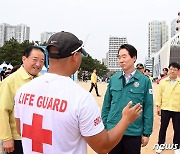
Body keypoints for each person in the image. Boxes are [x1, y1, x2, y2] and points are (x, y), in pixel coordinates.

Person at [14, 31, 142, 154]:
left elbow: (21, 130)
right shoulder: (80, 98)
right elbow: (103, 146)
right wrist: (126, 119)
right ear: (75, 56)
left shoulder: (23, 91)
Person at [102, 44, 154, 154]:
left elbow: (148, 107)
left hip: (133, 132)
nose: (121, 60)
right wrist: (105, 126)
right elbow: (106, 105)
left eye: (124, 56)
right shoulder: (114, 79)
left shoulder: (144, 81)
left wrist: (146, 133)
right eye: (119, 57)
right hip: (113, 130)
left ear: (134, 58)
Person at [0, 46, 45, 154]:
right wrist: (6, 138)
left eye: (42, 61)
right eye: (34, 60)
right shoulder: (10, 81)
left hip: (37, 138)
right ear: (24, 59)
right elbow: (2, 110)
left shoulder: (43, 81)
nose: (38, 64)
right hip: (17, 139)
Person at [156, 62, 180, 154]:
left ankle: (177, 146)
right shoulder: (163, 82)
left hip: (177, 109)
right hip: (165, 108)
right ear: (168, 69)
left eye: (175, 69)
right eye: (171, 69)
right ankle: (160, 145)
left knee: (177, 129)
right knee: (163, 127)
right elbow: (159, 95)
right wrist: (158, 106)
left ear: (178, 71)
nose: (172, 71)